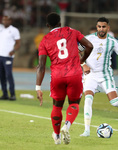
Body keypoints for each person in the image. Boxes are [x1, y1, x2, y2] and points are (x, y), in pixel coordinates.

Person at [36, 12, 93, 145]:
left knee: (57, 106)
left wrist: (38, 87)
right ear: (60, 23)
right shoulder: (71, 31)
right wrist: (82, 60)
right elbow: (89, 45)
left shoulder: (44, 40)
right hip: (74, 73)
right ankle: (66, 126)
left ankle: (56, 136)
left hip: (57, 76)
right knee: (74, 103)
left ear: (47, 25)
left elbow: (41, 66)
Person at [0, 0, 21, 101]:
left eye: (7, 20)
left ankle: (12, 94)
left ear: (10, 21)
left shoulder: (14, 30)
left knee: (9, 75)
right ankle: (4, 94)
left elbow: (18, 43)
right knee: (1, 76)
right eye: (3, 20)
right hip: (0, 55)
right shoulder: (0, 28)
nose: (5, 22)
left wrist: (13, 50)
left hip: (8, 56)